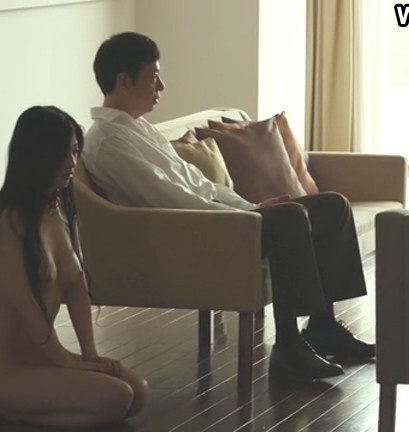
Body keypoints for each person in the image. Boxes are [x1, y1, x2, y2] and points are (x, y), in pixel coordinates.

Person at [81, 32, 374, 381]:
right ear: (124, 81)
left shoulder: (139, 129)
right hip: (187, 233)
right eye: (153, 77)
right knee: (290, 218)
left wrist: (252, 206)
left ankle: (324, 326)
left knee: (333, 206)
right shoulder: (108, 141)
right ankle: (288, 346)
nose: (162, 86)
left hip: (213, 219)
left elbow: (198, 183)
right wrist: (244, 217)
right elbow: (168, 198)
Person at [0, 106, 148, 430]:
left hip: (43, 357)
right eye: (62, 154)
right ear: (36, 157)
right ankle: (15, 413)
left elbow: (77, 288)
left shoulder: (58, 209)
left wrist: (90, 355)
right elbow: (28, 308)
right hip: (5, 369)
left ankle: (25, 411)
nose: (72, 164)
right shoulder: (10, 221)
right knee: (117, 397)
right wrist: (67, 362)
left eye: (75, 151)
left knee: (137, 392)